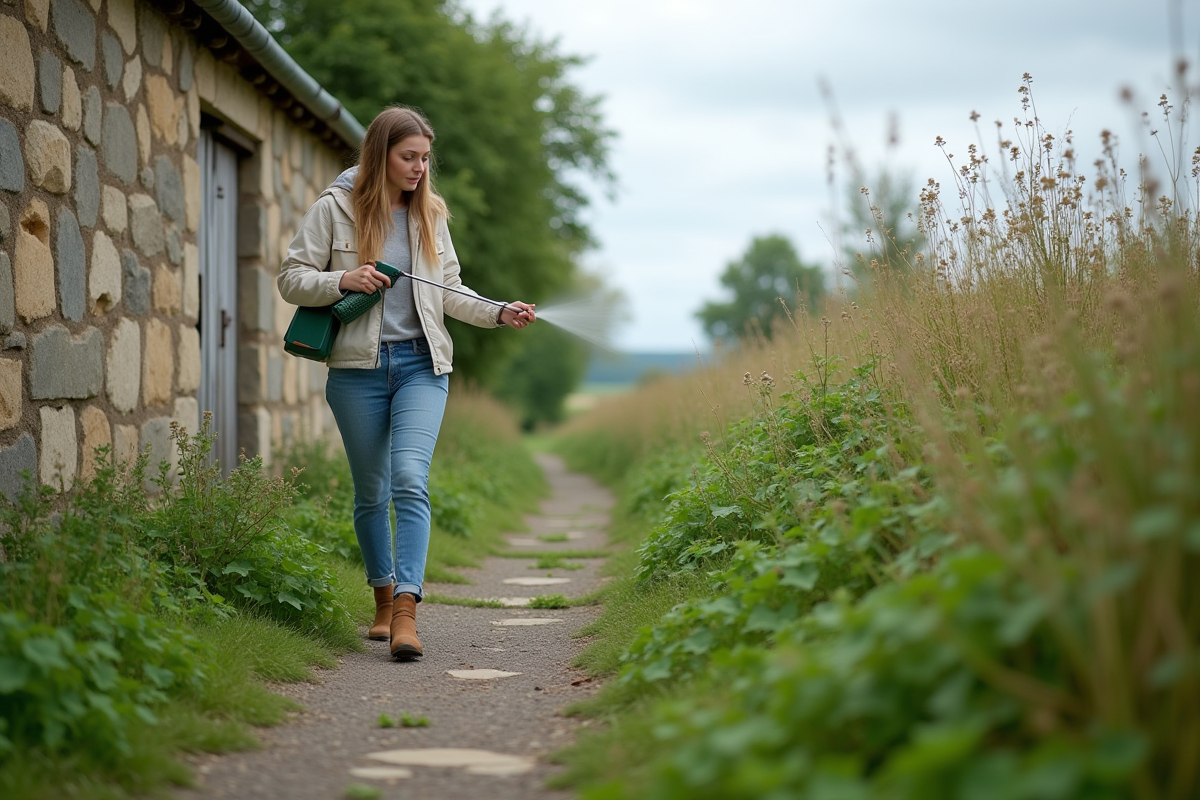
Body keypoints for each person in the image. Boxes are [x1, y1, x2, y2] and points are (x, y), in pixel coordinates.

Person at [277, 106, 536, 660]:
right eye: (408, 157)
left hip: (422, 366)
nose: (419, 168)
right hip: (356, 373)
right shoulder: (334, 210)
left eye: (424, 158)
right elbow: (291, 279)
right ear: (381, 154)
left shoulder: (430, 215)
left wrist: (498, 312)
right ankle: (381, 597)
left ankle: (406, 612)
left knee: (409, 478)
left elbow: (447, 290)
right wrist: (342, 278)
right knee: (371, 493)